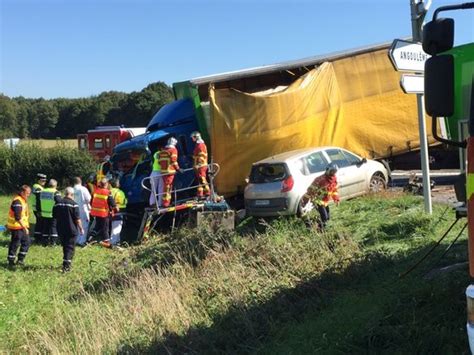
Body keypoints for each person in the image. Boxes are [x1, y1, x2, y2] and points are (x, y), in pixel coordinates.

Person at [53, 187, 84, 272]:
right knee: (70, 247)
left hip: (60, 229)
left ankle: (65, 262)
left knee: (65, 246)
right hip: (71, 229)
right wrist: (81, 228)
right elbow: (77, 219)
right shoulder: (74, 204)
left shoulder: (57, 204)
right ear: (72, 194)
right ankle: (66, 266)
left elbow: (54, 216)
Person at [303, 163, 340, 229]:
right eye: (332, 171)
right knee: (324, 217)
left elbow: (334, 190)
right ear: (327, 170)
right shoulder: (320, 179)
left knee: (327, 217)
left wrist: (336, 199)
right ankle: (321, 230)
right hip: (318, 201)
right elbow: (310, 190)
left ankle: (315, 224)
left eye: (335, 171)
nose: (333, 173)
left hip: (325, 202)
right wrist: (305, 200)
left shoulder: (334, 180)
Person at [6, 185, 31, 267]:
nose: (28, 195)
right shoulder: (17, 201)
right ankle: (11, 261)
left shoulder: (23, 200)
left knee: (26, 242)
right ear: (22, 192)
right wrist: (24, 227)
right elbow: (17, 217)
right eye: (27, 193)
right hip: (16, 226)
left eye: (29, 193)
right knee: (15, 243)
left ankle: (20, 260)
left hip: (21, 226)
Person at [89, 178, 116, 247]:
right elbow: (112, 203)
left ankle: (90, 238)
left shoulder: (96, 191)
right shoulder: (107, 192)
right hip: (104, 213)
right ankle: (106, 242)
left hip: (96, 212)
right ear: (107, 184)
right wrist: (115, 207)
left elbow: (92, 201)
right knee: (105, 228)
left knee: (97, 226)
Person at [158, 137, 180, 208]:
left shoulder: (163, 151)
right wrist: (178, 169)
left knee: (166, 186)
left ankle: (166, 202)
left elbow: (159, 161)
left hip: (163, 172)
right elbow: (174, 161)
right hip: (170, 172)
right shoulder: (173, 150)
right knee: (168, 187)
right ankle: (166, 203)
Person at [39, 179, 61, 245]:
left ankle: (44, 242)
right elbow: (59, 202)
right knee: (53, 227)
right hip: (52, 213)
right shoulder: (56, 192)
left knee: (46, 227)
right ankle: (53, 242)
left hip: (44, 212)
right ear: (55, 185)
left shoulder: (43, 191)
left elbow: (39, 201)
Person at [190, 131, 210, 199]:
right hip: (198, 166)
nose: (192, 139)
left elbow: (201, 155)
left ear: (196, 137)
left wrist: (199, 164)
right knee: (199, 181)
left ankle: (207, 193)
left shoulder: (201, 145)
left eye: (193, 137)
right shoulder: (198, 145)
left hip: (201, 165)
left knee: (202, 179)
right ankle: (200, 194)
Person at [73, 176, 91, 246]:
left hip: (74, 209)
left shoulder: (72, 189)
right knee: (84, 225)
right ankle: (82, 240)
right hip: (83, 209)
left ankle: (76, 239)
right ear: (80, 182)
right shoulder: (83, 189)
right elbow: (88, 199)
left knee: (76, 224)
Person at [109, 178, 127, 246]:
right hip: (118, 211)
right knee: (116, 228)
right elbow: (123, 202)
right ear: (116, 184)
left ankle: (117, 241)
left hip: (110, 211)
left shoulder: (109, 191)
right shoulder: (120, 192)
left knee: (113, 226)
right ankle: (113, 242)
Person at [31, 173, 47, 240]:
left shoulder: (38, 187)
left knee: (39, 222)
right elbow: (38, 200)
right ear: (38, 180)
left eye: (45, 180)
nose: (44, 182)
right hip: (38, 208)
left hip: (37, 208)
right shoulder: (37, 187)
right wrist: (39, 210)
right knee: (40, 223)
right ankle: (38, 238)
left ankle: (38, 237)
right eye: (42, 180)